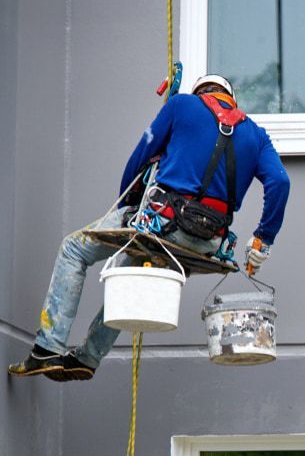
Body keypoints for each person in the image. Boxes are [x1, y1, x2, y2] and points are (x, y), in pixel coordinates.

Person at [8, 74, 290, 382]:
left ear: (200, 93)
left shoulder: (182, 105)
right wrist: (263, 240)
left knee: (74, 248)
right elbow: (280, 182)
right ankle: (86, 358)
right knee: (130, 270)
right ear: (230, 98)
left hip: (161, 223)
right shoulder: (256, 135)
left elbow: (141, 155)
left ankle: (48, 348)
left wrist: (124, 206)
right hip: (208, 242)